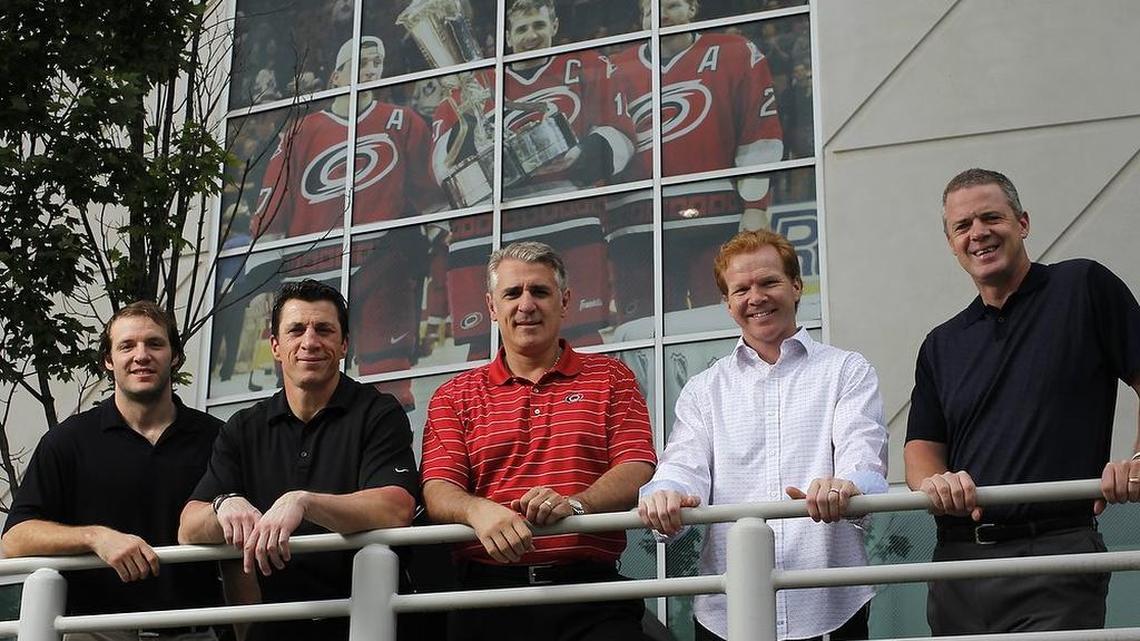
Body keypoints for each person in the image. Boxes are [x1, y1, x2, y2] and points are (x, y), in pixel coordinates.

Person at [905, 168, 1140, 634]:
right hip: (960, 564)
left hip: (1058, 551)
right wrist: (937, 482)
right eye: (963, 226)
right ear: (952, 244)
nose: (978, 233)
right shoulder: (940, 344)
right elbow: (921, 452)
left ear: (1023, 223)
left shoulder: (1084, 287)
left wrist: (1136, 459)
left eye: (991, 217)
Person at [638, 230, 888, 641]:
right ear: (727, 303)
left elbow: (864, 460)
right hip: (727, 612)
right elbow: (682, 465)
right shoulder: (704, 389)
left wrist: (847, 485)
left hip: (828, 606)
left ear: (795, 286)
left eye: (769, 282)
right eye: (741, 289)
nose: (756, 297)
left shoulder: (847, 370)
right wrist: (665, 492)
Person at [421, 241, 657, 641]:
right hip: (487, 599)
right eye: (512, 293)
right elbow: (438, 489)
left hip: (591, 596)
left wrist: (577, 504)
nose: (526, 304)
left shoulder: (612, 377)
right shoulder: (454, 395)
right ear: (492, 307)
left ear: (564, 302)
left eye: (540, 292)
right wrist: (479, 512)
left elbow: (636, 466)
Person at [178, 279, 419, 641]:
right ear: (275, 346)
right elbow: (188, 528)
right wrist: (224, 505)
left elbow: (395, 507)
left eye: (324, 330)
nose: (310, 342)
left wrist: (303, 502)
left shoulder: (378, 413)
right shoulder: (244, 428)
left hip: (365, 622)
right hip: (275, 625)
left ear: (344, 346)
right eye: (296, 330)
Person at [2, 302, 225, 641]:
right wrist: (96, 537)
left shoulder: (219, 439)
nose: (141, 355)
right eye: (127, 346)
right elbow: (15, 539)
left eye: (154, 343)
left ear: (175, 356)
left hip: (196, 633)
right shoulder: (68, 441)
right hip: (95, 631)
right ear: (108, 360)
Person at [432, 0, 635, 360]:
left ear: (554, 25)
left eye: (538, 25)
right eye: (522, 29)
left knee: (580, 335)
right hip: (493, 228)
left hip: (568, 215)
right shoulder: (472, 86)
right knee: (487, 346)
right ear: (507, 36)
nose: (531, 36)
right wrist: (468, 133)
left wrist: (583, 157)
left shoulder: (588, 65)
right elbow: (442, 169)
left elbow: (620, 134)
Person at [250, 35, 444, 408]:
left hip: (382, 261)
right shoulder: (301, 131)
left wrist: (434, 249)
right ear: (337, 77)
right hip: (309, 269)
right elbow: (274, 201)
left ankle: (388, 460)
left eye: (376, 64)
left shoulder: (402, 121)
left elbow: (430, 195)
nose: (370, 71)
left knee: (389, 384)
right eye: (360, 65)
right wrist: (262, 279)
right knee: (303, 390)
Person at [605, 0, 784, 328]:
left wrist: (755, 205)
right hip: (635, 228)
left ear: (692, 8)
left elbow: (759, 134)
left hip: (715, 220)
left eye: (671, 5)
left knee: (724, 324)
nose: (659, 15)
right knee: (644, 332)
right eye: (649, 11)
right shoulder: (613, 68)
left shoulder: (735, 53)